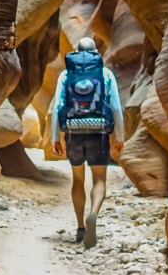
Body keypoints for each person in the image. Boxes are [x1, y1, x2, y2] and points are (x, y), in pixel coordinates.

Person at [51, 37, 124, 248]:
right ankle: (93, 214)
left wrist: (55, 138)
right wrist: (120, 137)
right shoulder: (105, 74)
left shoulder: (66, 74)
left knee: (78, 180)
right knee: (100, 178)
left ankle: (81, 227)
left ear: (76, 52)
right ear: (95, 53)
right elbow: (117, 108)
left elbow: (57, 107)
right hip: (98, 132)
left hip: (73, 133)